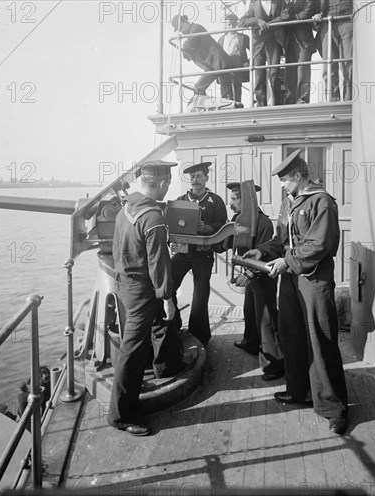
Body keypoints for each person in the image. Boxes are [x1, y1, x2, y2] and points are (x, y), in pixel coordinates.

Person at [243, 149, 348, 435]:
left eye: (285, 180)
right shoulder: (289, 202)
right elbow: (281, 239)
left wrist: (286, 261)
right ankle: (299, 391)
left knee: (320, 340)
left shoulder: (322, 202)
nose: (281, 185)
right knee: (291, 335)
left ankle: (334, 407)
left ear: (300, 176)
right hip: (290, 280)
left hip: (313, 281)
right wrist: (263, 251)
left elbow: (320, 244)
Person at [107, 161, 185, 437]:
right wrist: (167, 297)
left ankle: (167, 366)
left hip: (126, 283)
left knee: (153, 328)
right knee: (133, 348)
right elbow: (158, 262)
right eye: (168, 184)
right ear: (162, 184)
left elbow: (121, 248)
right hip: (143, 290)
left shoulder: (125, 209)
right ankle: (121, 414)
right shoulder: (152, 216)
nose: (168, 188)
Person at [225, 182, 284, 380]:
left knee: (266, 319)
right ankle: (250, 343)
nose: (230, 202)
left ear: (248, 200)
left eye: (235, 199)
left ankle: (274, 364)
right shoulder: (238, 219)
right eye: (231, 198)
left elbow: (264, 256)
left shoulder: (263, 223)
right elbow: (231, 243)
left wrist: (247, 275)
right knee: (250, 310)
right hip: (250, 273)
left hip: (262, 276)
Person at [171, 162, 228, 346]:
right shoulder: (181, 199)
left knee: (200, 295)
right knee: (168, 285)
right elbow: (171, 225)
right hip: (183, 252)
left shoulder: (216, 201)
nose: (195, 180)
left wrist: (208, 228)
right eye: (192, 177)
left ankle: (199, 336)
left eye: (199, 176)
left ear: (206, 178)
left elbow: (223, 226)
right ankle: (174, 325)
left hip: (204, 254)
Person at [171, 14, 241, 103]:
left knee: (207, 88)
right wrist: (187, 52)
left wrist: (186, 51)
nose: (181, 31)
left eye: (181, 28)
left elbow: (188, 45)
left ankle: (218, 106)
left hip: (219, 63)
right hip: (213, 66)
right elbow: (189, 49)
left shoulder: (196, 28)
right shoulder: (193, 31)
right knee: (201, 88)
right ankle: (209, 105)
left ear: (185, 22)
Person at [238, 0, 289, 106]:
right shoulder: (254, 6)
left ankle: (278, 104)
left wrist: (268, 25)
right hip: (258, 44)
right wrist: (257, 21)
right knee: (259, 77)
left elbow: (286, 15)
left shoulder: (279, 3)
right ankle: (261, 105)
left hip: (274, 42)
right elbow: (241, 22)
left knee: (274, 75)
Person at [312, 0, 353, 102]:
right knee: (329, 66)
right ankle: (333, 100)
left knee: (349, 64)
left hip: (347, 21)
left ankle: (349, 99)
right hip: (327, 24)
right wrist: (315, 18)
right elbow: (312, 10)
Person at [284, 0, 317, 104]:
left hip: (303, 40)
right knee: (290, 73)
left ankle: (303, 99)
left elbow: (306, 13)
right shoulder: (287, 2)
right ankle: (290, 101)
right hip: (289, 41)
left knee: (303, 71)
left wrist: (288, 18)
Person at [218, 12, 251, 103]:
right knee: (224, 85)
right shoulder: (221, 39)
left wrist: (247, 62)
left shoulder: (243, 37)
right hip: (225, 63)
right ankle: (225, 103)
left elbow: (254, 50)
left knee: (236, 85)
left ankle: (237, 103)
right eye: (229, 24)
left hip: (237, 62)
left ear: (236, 24)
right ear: (225, 25)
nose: (231, 26)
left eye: (233, 24)